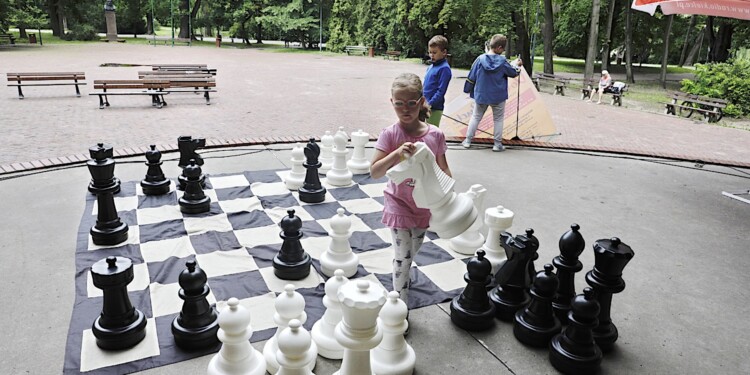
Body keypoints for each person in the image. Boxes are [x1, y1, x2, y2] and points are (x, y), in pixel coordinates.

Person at [370, 73, 452, 315]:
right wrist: (396, 154)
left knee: (410, 253)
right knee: (404, 257)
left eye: (411, 103)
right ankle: (398, 309)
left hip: (424, 206)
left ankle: (400, 276)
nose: (405, 109)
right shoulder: (390, 134)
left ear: (421, 101)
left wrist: (450, 197)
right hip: (398, 204)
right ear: (392, 102)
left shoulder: (435, 135)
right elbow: (374, 171)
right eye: (399, 103)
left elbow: (444, 168)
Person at [462, 34, 522, 152]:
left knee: (476, 117)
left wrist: (467, 89)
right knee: (498, 119)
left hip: (481, 94)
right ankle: (497, 144)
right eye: (503, 48)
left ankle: (468, 141)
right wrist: (517, 66)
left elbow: (471, 76)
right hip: (498, 96)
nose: (503, 51)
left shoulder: (479, 59)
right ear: (499, 47)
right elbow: (513, 72)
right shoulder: (503, 61)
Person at [423, 35, 453, 127]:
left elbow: (441, 91)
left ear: (444, 52)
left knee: (431, 134)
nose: (431, 55)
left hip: (434, 108)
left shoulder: (445, 69)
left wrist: (430, 104)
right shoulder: (431, 66)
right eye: (430, 52)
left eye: (434, 52)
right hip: (424, 106)